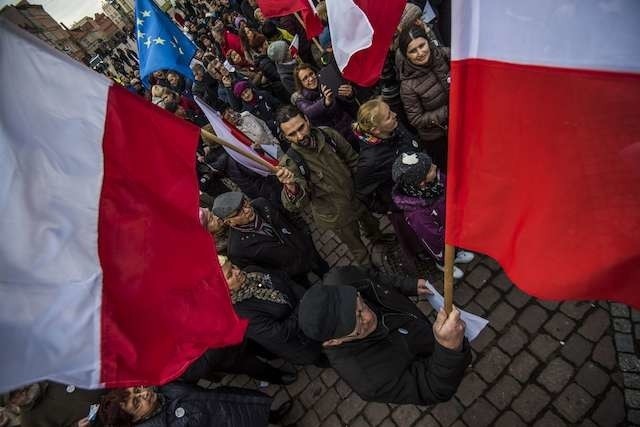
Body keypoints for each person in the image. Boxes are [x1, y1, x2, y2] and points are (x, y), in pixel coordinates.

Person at [298, 266, 471, 404]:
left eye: (359, 304)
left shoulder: (341, 277)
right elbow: (432, 389)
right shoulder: (370, 381)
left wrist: (406, 285)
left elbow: (373, 277)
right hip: (434, 358)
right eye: (356, 322)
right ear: (333, 342)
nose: (368, 316)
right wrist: (449, 350)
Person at [274, 105, 388, 266]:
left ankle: (378, 238)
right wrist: (291, 187)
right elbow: (294, 206)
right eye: (292, 134)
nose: (300, 136)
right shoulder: (291, 164)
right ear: (285, 137)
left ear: (307, 119)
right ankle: (372, 274)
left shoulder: (328, 135)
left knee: (371, 223)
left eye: (301, 127)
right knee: (358, 249)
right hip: (335, 215)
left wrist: (364, 189)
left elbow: (352, 159)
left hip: (356, 198)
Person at [352, 98, 424, 270]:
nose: (395, 115)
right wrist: (388, 207)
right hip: (403, 207)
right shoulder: (370, 161)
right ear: (376, 130)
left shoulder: (394, 127)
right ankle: (428, 258)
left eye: (390, 111)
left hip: (421, 192)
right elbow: (361, 192)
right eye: (388, 116)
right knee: (416, 239)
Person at [218, 255, 327, 366]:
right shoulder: (241, 315)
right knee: (325, 356)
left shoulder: (252, 271)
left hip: (313, 317)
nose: (238, 271)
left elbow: (284, 279)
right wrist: (305, 304)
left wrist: (305, 299)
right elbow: (282, 333)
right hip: (303, 342)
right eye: (230, 275)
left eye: (233, 266)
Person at [212, 191, 329, 284]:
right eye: (239, 212)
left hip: (308, 251)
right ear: (229, 222)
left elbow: (291, 216)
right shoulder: (237, 250)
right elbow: (262, 272)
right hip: (294, 275)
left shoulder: (262, 203)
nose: (247, 210)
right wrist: (287, 275)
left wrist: (306, 236)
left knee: (328, 273)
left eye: (245, 203)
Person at [391, 152, 474, 278]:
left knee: (454, 246)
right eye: (430, 169)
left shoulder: (437, 180)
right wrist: (453, 231)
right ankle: (444, 263)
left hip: (452, 226)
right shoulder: (417, 214)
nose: (435, 166)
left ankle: (456, 253)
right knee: (444, 252)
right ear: (421, 183)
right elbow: (433, 237)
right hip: (443, 238)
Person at [98, 383, 291, 427]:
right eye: (137, 401)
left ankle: (272, 415)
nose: (145, 393)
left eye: (137, 390)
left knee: (260, 412)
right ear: (136, 420)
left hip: (230, 403)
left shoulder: (160, 388)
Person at [397, 26, 451, 170]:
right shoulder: (408, 86)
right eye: (413, 51)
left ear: (428, 42)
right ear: (406, 55)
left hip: (461, 123)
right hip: (439, 139)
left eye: (422, 45)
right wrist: (448, 111)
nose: (420, 53)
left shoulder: (444, 55)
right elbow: (416, 119)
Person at [291, 63, 358, 150]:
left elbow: (346, 104)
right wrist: (325, 102)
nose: (310, 79)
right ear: (301, 84)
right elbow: (310, 112)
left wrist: (350, 94)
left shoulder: (328, 82)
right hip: (336, 140)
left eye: (311, 74)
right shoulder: (301, 99)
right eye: (305, 78)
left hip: (352, 128)